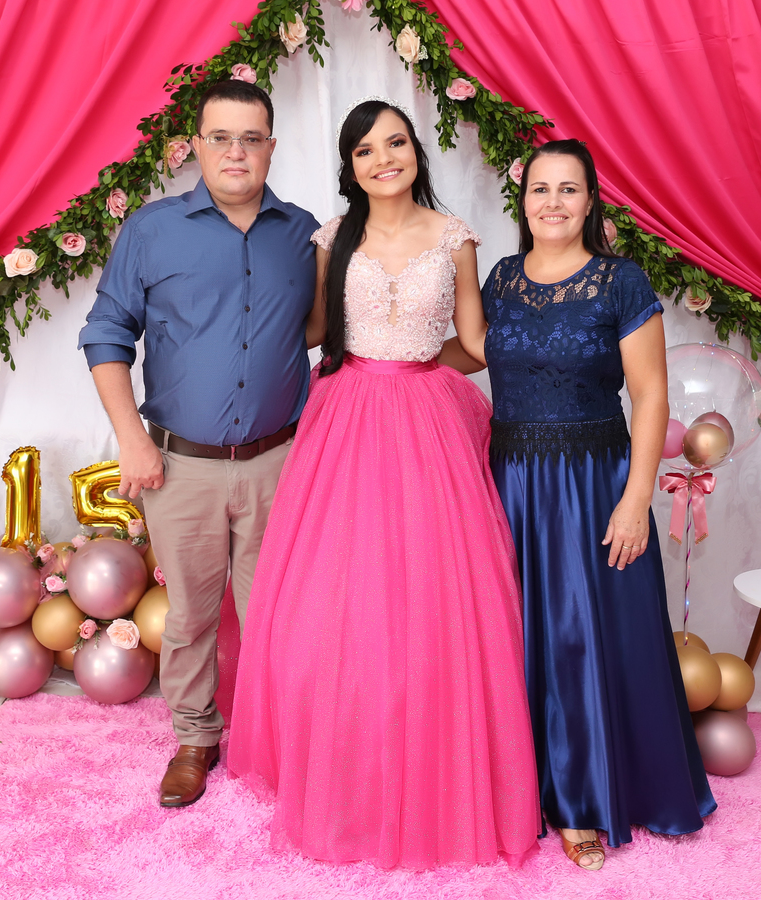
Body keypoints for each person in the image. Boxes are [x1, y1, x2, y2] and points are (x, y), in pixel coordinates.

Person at [226, 98, 540, 870]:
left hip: (428, 418)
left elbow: (475, 343)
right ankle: (342, 766)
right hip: (345, 417)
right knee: (335, 596)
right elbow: (313, 332)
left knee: (435, 595)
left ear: (415, 153)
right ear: (351, 166)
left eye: (395, 143)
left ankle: (433, 768)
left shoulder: (455, 238)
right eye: (365, 150)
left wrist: (536, 343)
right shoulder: (333, 239)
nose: (383, 159)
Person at [452, 139, 716, 870]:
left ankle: (582, 800)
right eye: (540, 189)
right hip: (511, 483)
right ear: (523, 200)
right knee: (514, 636)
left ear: (591, 200)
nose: (553, 203)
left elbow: (652, 396)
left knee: (584, 637)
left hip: (594, 483)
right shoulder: (503, 278)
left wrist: (636, 500)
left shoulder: (619, 281)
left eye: (568, 189)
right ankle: (519, 787)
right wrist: (384, 360)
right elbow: (475, 351)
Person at [78, 80, 319, 809]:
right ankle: (194, 738)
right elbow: (105, 335)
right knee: (188, 616)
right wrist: (132, 440)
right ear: (197, 146)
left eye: (251, 138)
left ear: (271, 147)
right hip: (179, 464)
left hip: (280, 461)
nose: (236, 152)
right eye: (221, 137)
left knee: (278, 614)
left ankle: (278, 740)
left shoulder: (304, 234)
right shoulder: (152, 231)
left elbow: (318, 331)